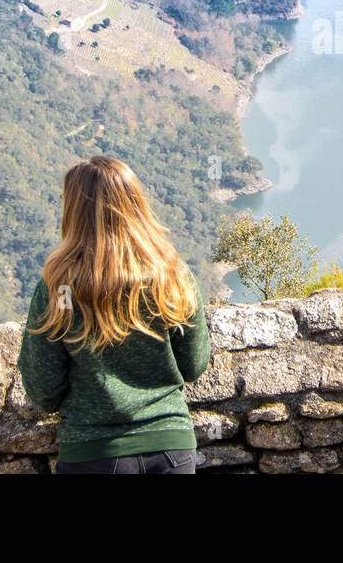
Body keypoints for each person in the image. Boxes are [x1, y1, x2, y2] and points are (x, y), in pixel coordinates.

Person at [18, 156, 211, 474]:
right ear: (135, 203)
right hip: (171, 448)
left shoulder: (59, 288)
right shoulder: (171, 275)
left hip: (93, 454)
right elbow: (193, 364)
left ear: (74, 211)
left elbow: (44, 390)